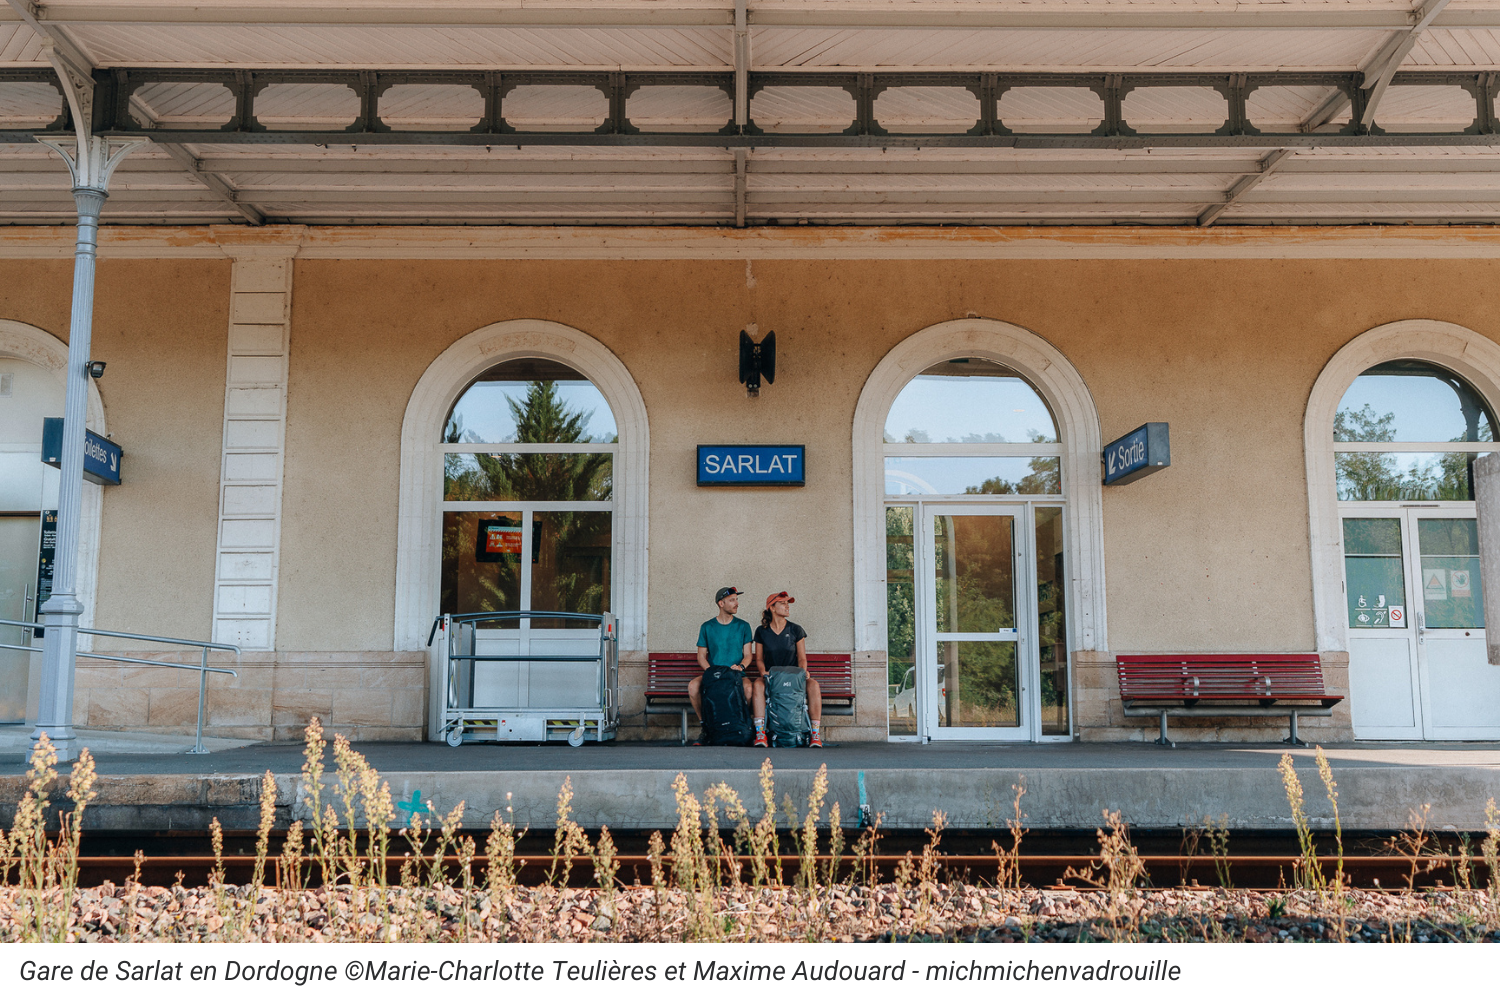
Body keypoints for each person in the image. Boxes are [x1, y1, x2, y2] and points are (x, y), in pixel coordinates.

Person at [690, 586, 768, 746]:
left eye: (737, 599)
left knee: (747, 689)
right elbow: (701, 656)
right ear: (721, 603)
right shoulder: (707, 627)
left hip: (736, 675)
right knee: (693, 687)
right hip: (715, 675)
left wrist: (741, 667)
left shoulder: (743, 626)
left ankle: (742, 725)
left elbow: (748, 655)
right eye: (732, 600)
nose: (736, 603)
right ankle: (706, 727)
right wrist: (711, 672)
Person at [753, 591, 823, 748]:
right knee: (757, 685)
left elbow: (802, 658)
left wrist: (802, 672)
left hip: (793, 678)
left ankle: (815, 734)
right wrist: (763, 672)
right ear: (772, 607)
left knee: (814, 686)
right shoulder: (761, 631)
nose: (787, 606)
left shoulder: (795, 630)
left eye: (788, 603)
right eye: (782, 603)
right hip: (773, 678)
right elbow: (758, 659)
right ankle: (760, 733)